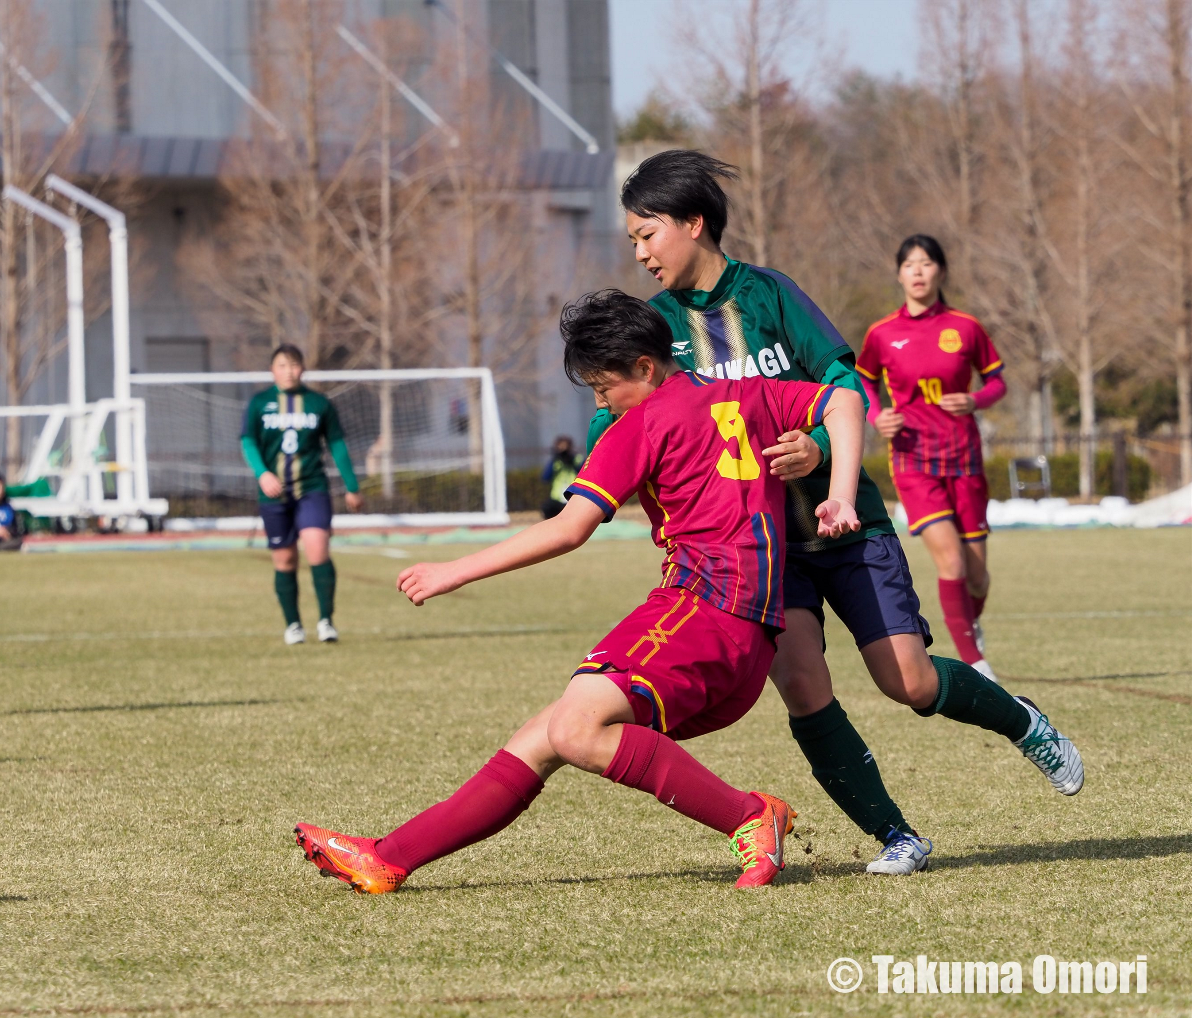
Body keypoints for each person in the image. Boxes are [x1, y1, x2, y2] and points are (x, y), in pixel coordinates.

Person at [591, 150, 1081, 876]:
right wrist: (600, 467)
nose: (640, 252)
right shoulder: (655, 330)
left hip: (846, 525)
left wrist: (818, 449)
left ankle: (1022, 720)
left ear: (693, 223)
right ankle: (896, 836)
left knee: (909, 681)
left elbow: (845, 384)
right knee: (801, 685)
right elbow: (620, 415)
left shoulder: (770, 295)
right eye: (632, 239)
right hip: (763, 554)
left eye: (647, 234)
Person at [295, 290, 867, 893]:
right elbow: (846, 400)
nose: (601, 403)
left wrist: (452, 571)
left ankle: (749, 817)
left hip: (701, 609)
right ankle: (388, 858)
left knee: (574, 730)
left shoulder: (640, 425)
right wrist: (841, 493)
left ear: (644, 367)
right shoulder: (748, 393)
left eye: (603, 388)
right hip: (748, 636)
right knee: (543, 737)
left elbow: (568, 529)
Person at [858, 235, 1006, 680]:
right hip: (913, 461)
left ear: (941, 270)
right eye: (910, 264)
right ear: (899, 274)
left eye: (926, 263)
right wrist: (877, 415)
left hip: (965, 460)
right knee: (951, 562)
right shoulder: (882, 333)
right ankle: (976, 664)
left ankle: (970, 625)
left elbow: (997, 381)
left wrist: (975, 400)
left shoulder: (966, 327)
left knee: (977, 577)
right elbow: (863, 382)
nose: (918, 271)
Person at [240, 344, 363, 644]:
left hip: (312, 488)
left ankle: (326, 621)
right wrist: (262, 473)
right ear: (272, 370)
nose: (289, 371)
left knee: (317, 548)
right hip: (274, 494)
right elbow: (248, 442)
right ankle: (293, 624)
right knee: (285, 560)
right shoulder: (260, 403)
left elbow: (337, 444)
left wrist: (352, 486)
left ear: (303, 369)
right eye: (282, 366)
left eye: (294, 365)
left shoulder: (318, 403)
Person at [540, 435, 583, 518]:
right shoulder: (555, 461)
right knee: (547, 508)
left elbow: (584, 473)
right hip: (556, 499)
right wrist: (555, 459)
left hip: (573, 498)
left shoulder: (577, 459)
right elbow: (545, 478)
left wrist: (572, 461)